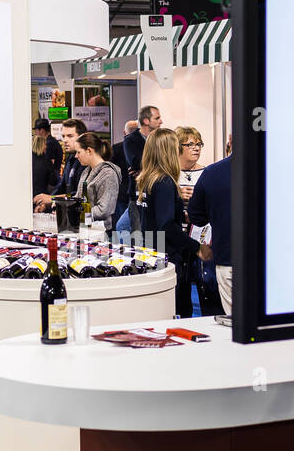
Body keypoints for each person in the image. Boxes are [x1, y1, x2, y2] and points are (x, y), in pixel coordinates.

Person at [133, 128, 198, 318]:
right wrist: (196, 247)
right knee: (179, 311)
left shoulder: (147, 180)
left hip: (152, 252)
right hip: (168, 257)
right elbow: (166, 225)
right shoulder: (164, 182)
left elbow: (153, 217)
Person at [188, 152, 233, 315]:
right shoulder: (279, 169)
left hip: (228, 258)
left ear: (229, 144)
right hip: (271, 262)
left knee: (235, 323)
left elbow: (196, 217)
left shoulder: (212, 173)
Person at [33, 118, 88, 212]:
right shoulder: (71, 158)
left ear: (81, 137)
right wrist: (46, 203)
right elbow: (61, 187)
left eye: (70, 136)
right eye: (63, 136)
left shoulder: (86, 162)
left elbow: (80, 195)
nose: (65, 140)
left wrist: (52, 198)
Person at [71, 133, 122, 235]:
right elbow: (78, 198)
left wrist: (78, 215)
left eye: (78, 152)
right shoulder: (86, 171)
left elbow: (104, 210)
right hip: (85, 228)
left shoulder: (109, 174)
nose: (76, 156)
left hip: (104, 233)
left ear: (89, 150)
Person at [31, 134, 58, 198]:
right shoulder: (46, 161)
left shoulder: (26, 160)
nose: (46, 146)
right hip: (41, 197)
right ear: (41, 146)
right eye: (45, 144)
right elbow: (53, 181)